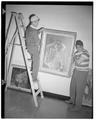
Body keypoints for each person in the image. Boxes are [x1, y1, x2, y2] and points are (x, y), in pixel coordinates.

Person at [65, 40, 90, 111]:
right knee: (72, 86)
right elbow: (73, 61)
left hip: (83, 73)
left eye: (79, 47)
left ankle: (78, 106)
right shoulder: (76, 52)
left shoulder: (85, 53)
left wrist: (74, 56)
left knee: (79, 89)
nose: (78, 48)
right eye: (77, 47)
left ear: (82, 46)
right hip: (76, 71)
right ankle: (72, 100)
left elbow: (78, 62)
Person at [25, 14, 44, 81]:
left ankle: (33, 76)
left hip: (29, 47)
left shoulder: (29, 28)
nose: (37, 23)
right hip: (33, 48)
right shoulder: (33, 30)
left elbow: (33, 34)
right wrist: (44, 43)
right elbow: (37, 41)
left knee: (34, 61)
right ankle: (34, 78)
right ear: (33, 22)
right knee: (36, 62)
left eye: (38, 21)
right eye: (36, 22)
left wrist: (39, 31)